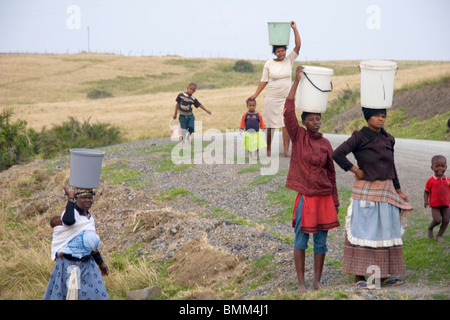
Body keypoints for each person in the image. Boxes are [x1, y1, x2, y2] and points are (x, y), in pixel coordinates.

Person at [332, 107, 413, 288]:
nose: (381, 119)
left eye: (383, 116)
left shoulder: (388, 138)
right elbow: (337, 154)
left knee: (385, 233)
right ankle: (360, 277)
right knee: (365, 232)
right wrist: (355, 170)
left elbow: (392, 166)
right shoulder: (359, 137)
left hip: (386, 191)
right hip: (366, 192)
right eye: (377, 116)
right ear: (368, 117)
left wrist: (398, 190)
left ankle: (382, 276)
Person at [283, 66, 340, 292]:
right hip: (306, 198)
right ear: (304, 121)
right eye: (312, 119)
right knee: (300, 240)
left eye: (319, 119)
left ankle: (317, 281)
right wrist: (296, 82)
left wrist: (335, 199)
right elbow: (287, 111)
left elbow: (332, 174)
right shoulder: (298, 137)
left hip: (324, 197)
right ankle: (301, 283)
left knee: (321, 242)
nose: (316, 122)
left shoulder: (326, 144)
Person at [44, 186, 109, 300]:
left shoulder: (89, 218)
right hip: (69, 265)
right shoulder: (70, 213)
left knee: (96, 295)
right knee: (69, 296)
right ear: (77, 199)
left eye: (90, 198)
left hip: (88, 264)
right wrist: (70, 199)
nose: (88, 200)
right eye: (84, 198)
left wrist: (101, 263)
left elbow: (90, 245)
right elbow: (68, 221)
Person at [249, 21, 301, 157]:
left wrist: (295, 29)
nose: (281, 53)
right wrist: (255, 95)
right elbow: (263, 81)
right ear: (275, 53)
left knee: (286, 125)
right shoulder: (269, 64)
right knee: (271, 126)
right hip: (272, 99)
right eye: (278, 51)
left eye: (283, 50)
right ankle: (268, 149)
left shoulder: (289, 60)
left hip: (285, 99)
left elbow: (298, 45)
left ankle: (286, 150)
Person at [424, 155, 450, 242]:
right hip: (435, 205)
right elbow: (426, 191)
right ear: (432, 167)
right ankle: (430, 228)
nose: (440, 168)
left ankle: (439, 235)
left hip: (446, 204)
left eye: (442, 166)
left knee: (446, 220)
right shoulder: (431, 180)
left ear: (446, 167)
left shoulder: (448, 180)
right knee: (437, 220)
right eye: (437, 166)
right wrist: (426, 201)